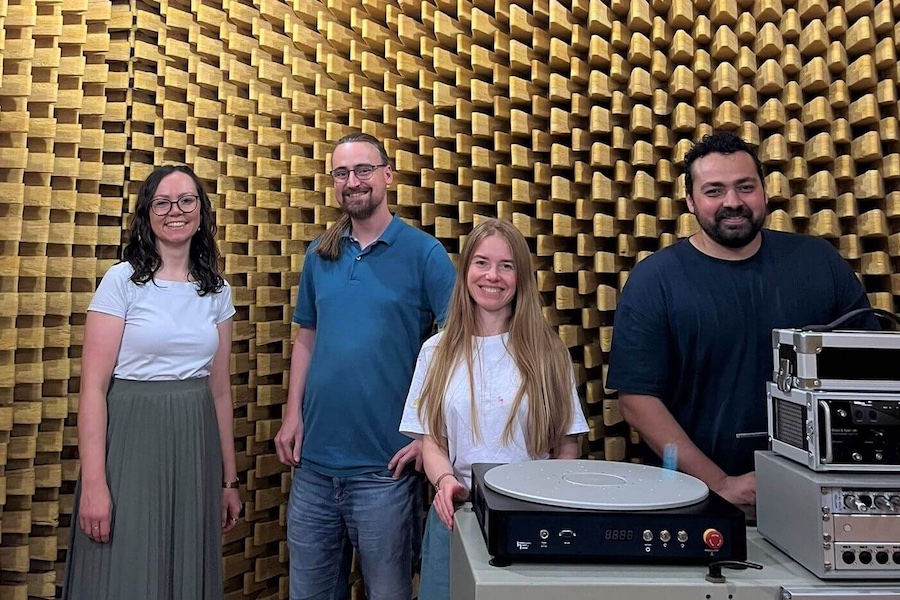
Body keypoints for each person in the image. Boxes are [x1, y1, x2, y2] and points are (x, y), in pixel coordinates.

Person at [606, 130, 875, 507]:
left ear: (764, 191)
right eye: (714, 191)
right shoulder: (655, 280)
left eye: (744, 187)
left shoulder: (819, 263)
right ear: (690, 201)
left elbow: (869, 372)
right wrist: (720, 483)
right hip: (695, 499)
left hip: (816, 496)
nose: (732, 202)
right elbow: (637, 400)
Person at [274, 133, 456, 600]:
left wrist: (431, 438)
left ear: (387, 175)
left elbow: (458, 347)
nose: (352, 182)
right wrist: (292, 415)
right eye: (342, 173)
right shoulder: (321, 254)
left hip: (385, 472)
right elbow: (306, 338)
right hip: (314, 468)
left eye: (363, 170)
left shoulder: (424, 254)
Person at [64, 165, 241, 599]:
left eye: (186, 200)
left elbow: (219, 392)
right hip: (132, 445)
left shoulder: (217, 290)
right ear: (147, 213)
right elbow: (92, 390)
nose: (175, 211)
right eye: (162, 202)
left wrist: (229, 480)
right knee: (127, 572)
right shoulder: (121, 282)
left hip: (195, 448)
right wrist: (94, 484)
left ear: (201, 211)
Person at [399, 218, 589, 600]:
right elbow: (433, 440)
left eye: (506, 265)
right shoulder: (436, 352)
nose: (493, 276)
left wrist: (548, 504)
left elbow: (567, 445)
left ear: (521, 277)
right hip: (455, 514)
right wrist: (444, 481)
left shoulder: (548, 351)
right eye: (482, 263)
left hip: (530, 519)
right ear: (466, 269)